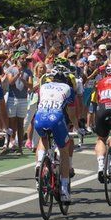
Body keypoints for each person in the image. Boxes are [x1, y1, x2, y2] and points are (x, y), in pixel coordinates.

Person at [33, 67, 78, 202]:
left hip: (39, 117)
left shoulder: (44, 86)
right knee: (64, 151)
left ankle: (40, 163)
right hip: (56, 118)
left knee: (44, 138)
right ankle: (64, 190)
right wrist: (77, 126)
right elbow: (70, 112)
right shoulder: (67, 88)